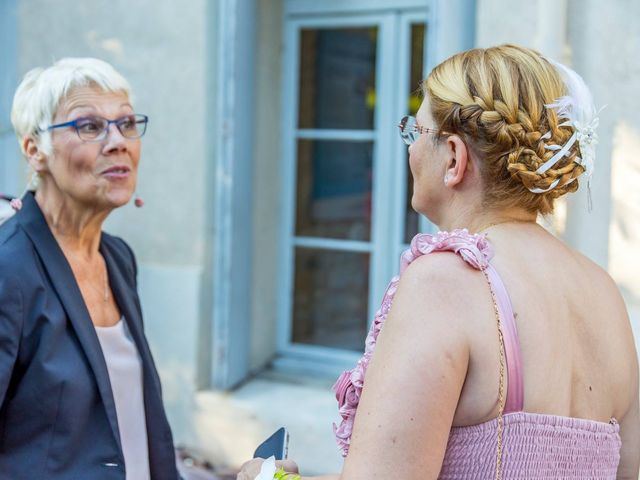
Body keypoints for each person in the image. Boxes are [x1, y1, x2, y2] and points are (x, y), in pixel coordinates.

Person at [238, 45, 640, 479]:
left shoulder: (448, 282)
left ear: (453, 157)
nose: (410, 151)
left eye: (415, 132)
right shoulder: (603, 293)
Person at [0, 58, 179, 479]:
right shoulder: (9, 270)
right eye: (89, 126)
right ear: (35, 151)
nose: (118, 142)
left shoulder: (117, 258)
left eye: (127, 123)